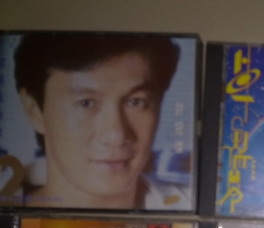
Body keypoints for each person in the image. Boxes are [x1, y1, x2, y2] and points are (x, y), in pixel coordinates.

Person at [12, 33, 187, 209]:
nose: (116, 135)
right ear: (34, 111)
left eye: (136, 102)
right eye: (86, 103)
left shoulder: (186, 205)